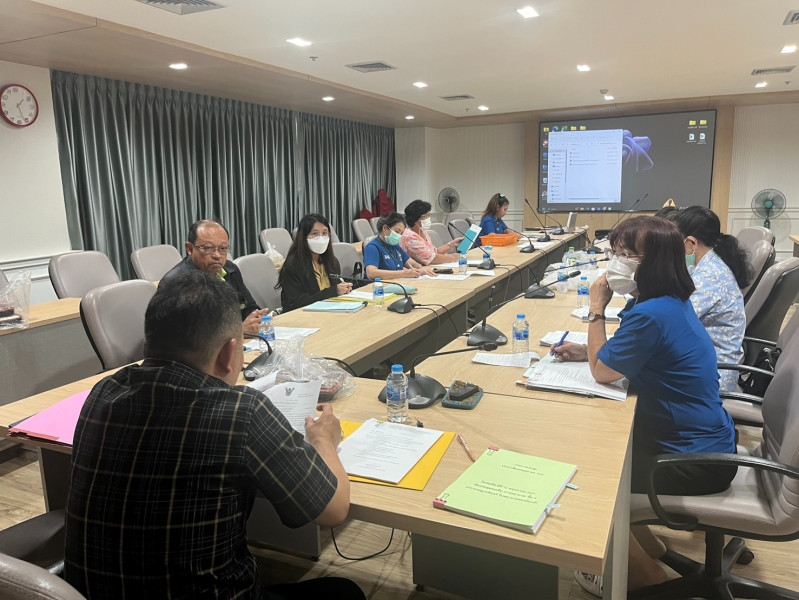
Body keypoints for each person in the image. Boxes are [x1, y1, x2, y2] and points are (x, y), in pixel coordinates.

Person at [65, 270, 364, 600]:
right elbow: (333, 511)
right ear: (229, 353)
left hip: (89, 593)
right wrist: (324, 440)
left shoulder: (104, 391)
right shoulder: (241, 411)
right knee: (345, 592)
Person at [551, 216, 737, 595]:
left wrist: (596, 309)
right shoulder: (666, 302)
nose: (615, 263)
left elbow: (603, 372)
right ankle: (651, 550)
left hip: (692, 461)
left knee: (588, 477)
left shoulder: (653, 314)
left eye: (625, 255)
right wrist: (587, 351)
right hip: (708, 443)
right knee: (606, 455)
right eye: (615, 253)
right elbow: (627, 356)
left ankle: (646, 578)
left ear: (652, 263)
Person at [662, 206, 751, 392]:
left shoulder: (710, 277)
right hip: (703, 363)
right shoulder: (707, 264)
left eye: (674, 243)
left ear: (691, 243)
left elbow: (669, 324)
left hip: (713, 376)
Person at [162, 219, 268, 334]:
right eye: (207, 248)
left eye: (223, 248)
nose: (217, 255)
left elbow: (249, 307)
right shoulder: (175, 283)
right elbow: (181, 336)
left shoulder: (230, 269)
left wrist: (256, 319)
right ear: (190, 249)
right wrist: (239, 331)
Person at [277, 214, 353, 311]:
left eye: (324, 233)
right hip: (303, 316)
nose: (321, 238)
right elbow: (295, 303)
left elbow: (336, 290)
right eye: (315, 233)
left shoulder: (332, 262)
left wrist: (344, 289)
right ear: (303, 237)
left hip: (331, 311)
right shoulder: (293, 265)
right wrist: (333, 292)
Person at [364, 212, 436, 280]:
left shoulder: (395, 247)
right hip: (379, 286)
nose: (399, 236)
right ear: (385, 228)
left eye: (401, 233)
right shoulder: (373, 247)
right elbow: (371, 273)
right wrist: (403, 274)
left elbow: (413, 263)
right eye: (397, 231)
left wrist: (420, 269)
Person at [400, 200, 463, 265]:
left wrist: (451, 244)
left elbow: (434, 252)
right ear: (415, 219)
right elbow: (431, 259)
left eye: (429, 215)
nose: (429, 218)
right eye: (426, 216)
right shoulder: (409, 237)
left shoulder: (423, 232)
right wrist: (454, 257)